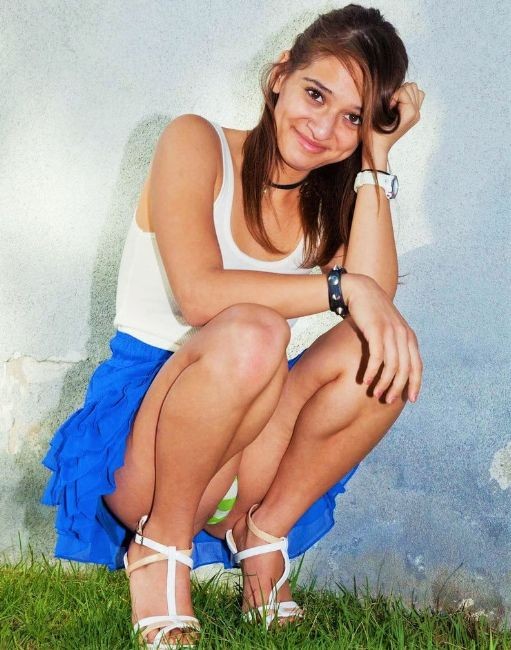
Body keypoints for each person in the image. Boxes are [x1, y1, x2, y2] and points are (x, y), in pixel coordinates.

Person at [41, 3, 425, 648]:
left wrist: (376, 159)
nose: (323, 127)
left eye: (353, 117)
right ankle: (159, 546)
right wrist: (341, 287)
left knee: (377, 350)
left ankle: (263, 536)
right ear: (279, 76)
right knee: (254, 332)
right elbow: (200, 296)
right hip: (151, 447)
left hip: (252, 445)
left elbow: (375, 303)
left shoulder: (331, 199)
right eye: (315, 94)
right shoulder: (195, 142)